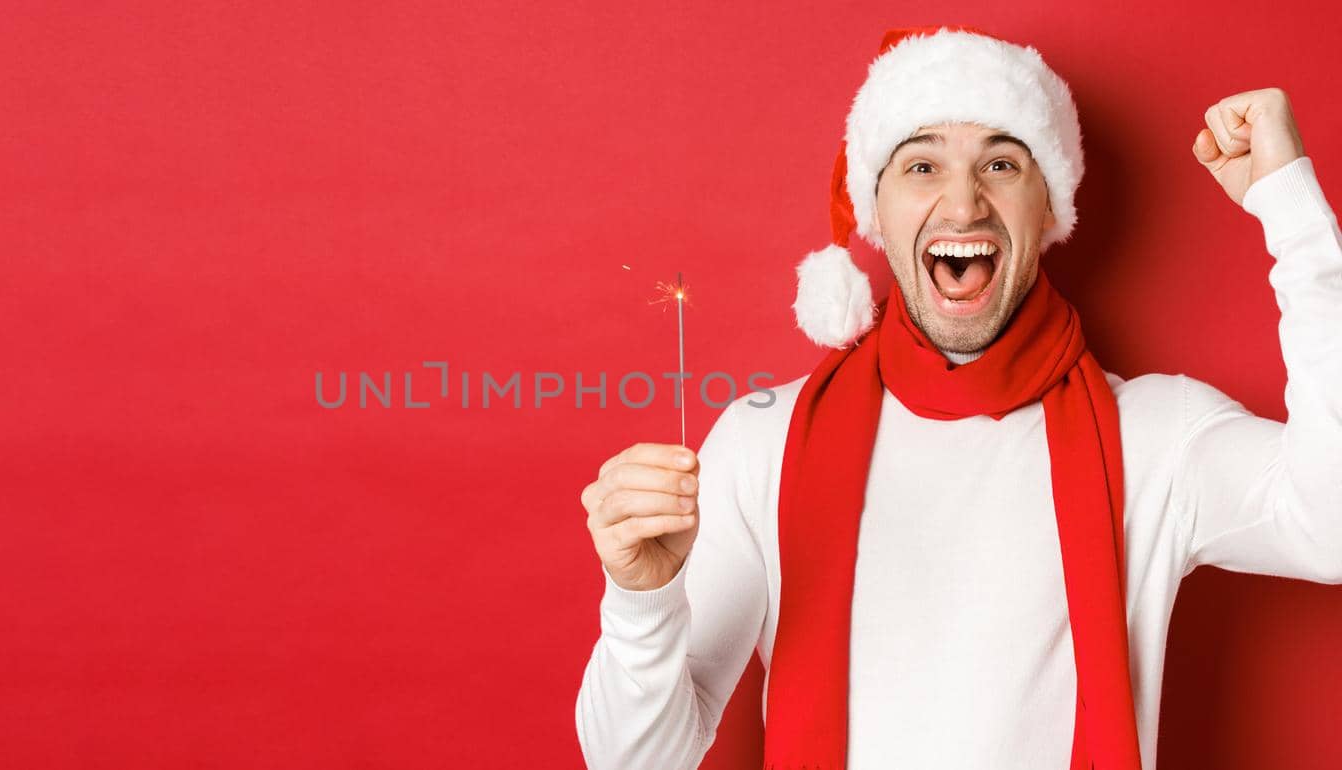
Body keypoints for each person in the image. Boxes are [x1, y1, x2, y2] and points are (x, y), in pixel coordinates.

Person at [574, 25, 1340, 770]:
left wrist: (1294, 214)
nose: (965, 203)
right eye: (921, 166)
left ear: (1050, 208)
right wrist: (642, 602)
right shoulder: (759, 442)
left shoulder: (1158, 436)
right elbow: (633, 761)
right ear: (876, 213)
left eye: (1002, 165)